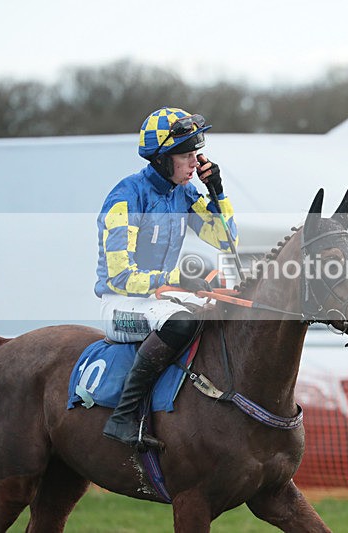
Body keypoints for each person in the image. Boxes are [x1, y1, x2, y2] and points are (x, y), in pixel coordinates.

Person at [95, 107, 238, 449]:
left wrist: (217, 192)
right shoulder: (126, 198)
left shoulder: (184, 193)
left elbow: (227, 239)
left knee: (222, 312)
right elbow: (119, 277)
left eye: (196, 154)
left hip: (160, 299)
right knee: (181, 323)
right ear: (161, 159)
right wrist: (179, 279)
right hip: (120, 305)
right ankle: (122, 417)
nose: (195, 163)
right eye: (186, 156)